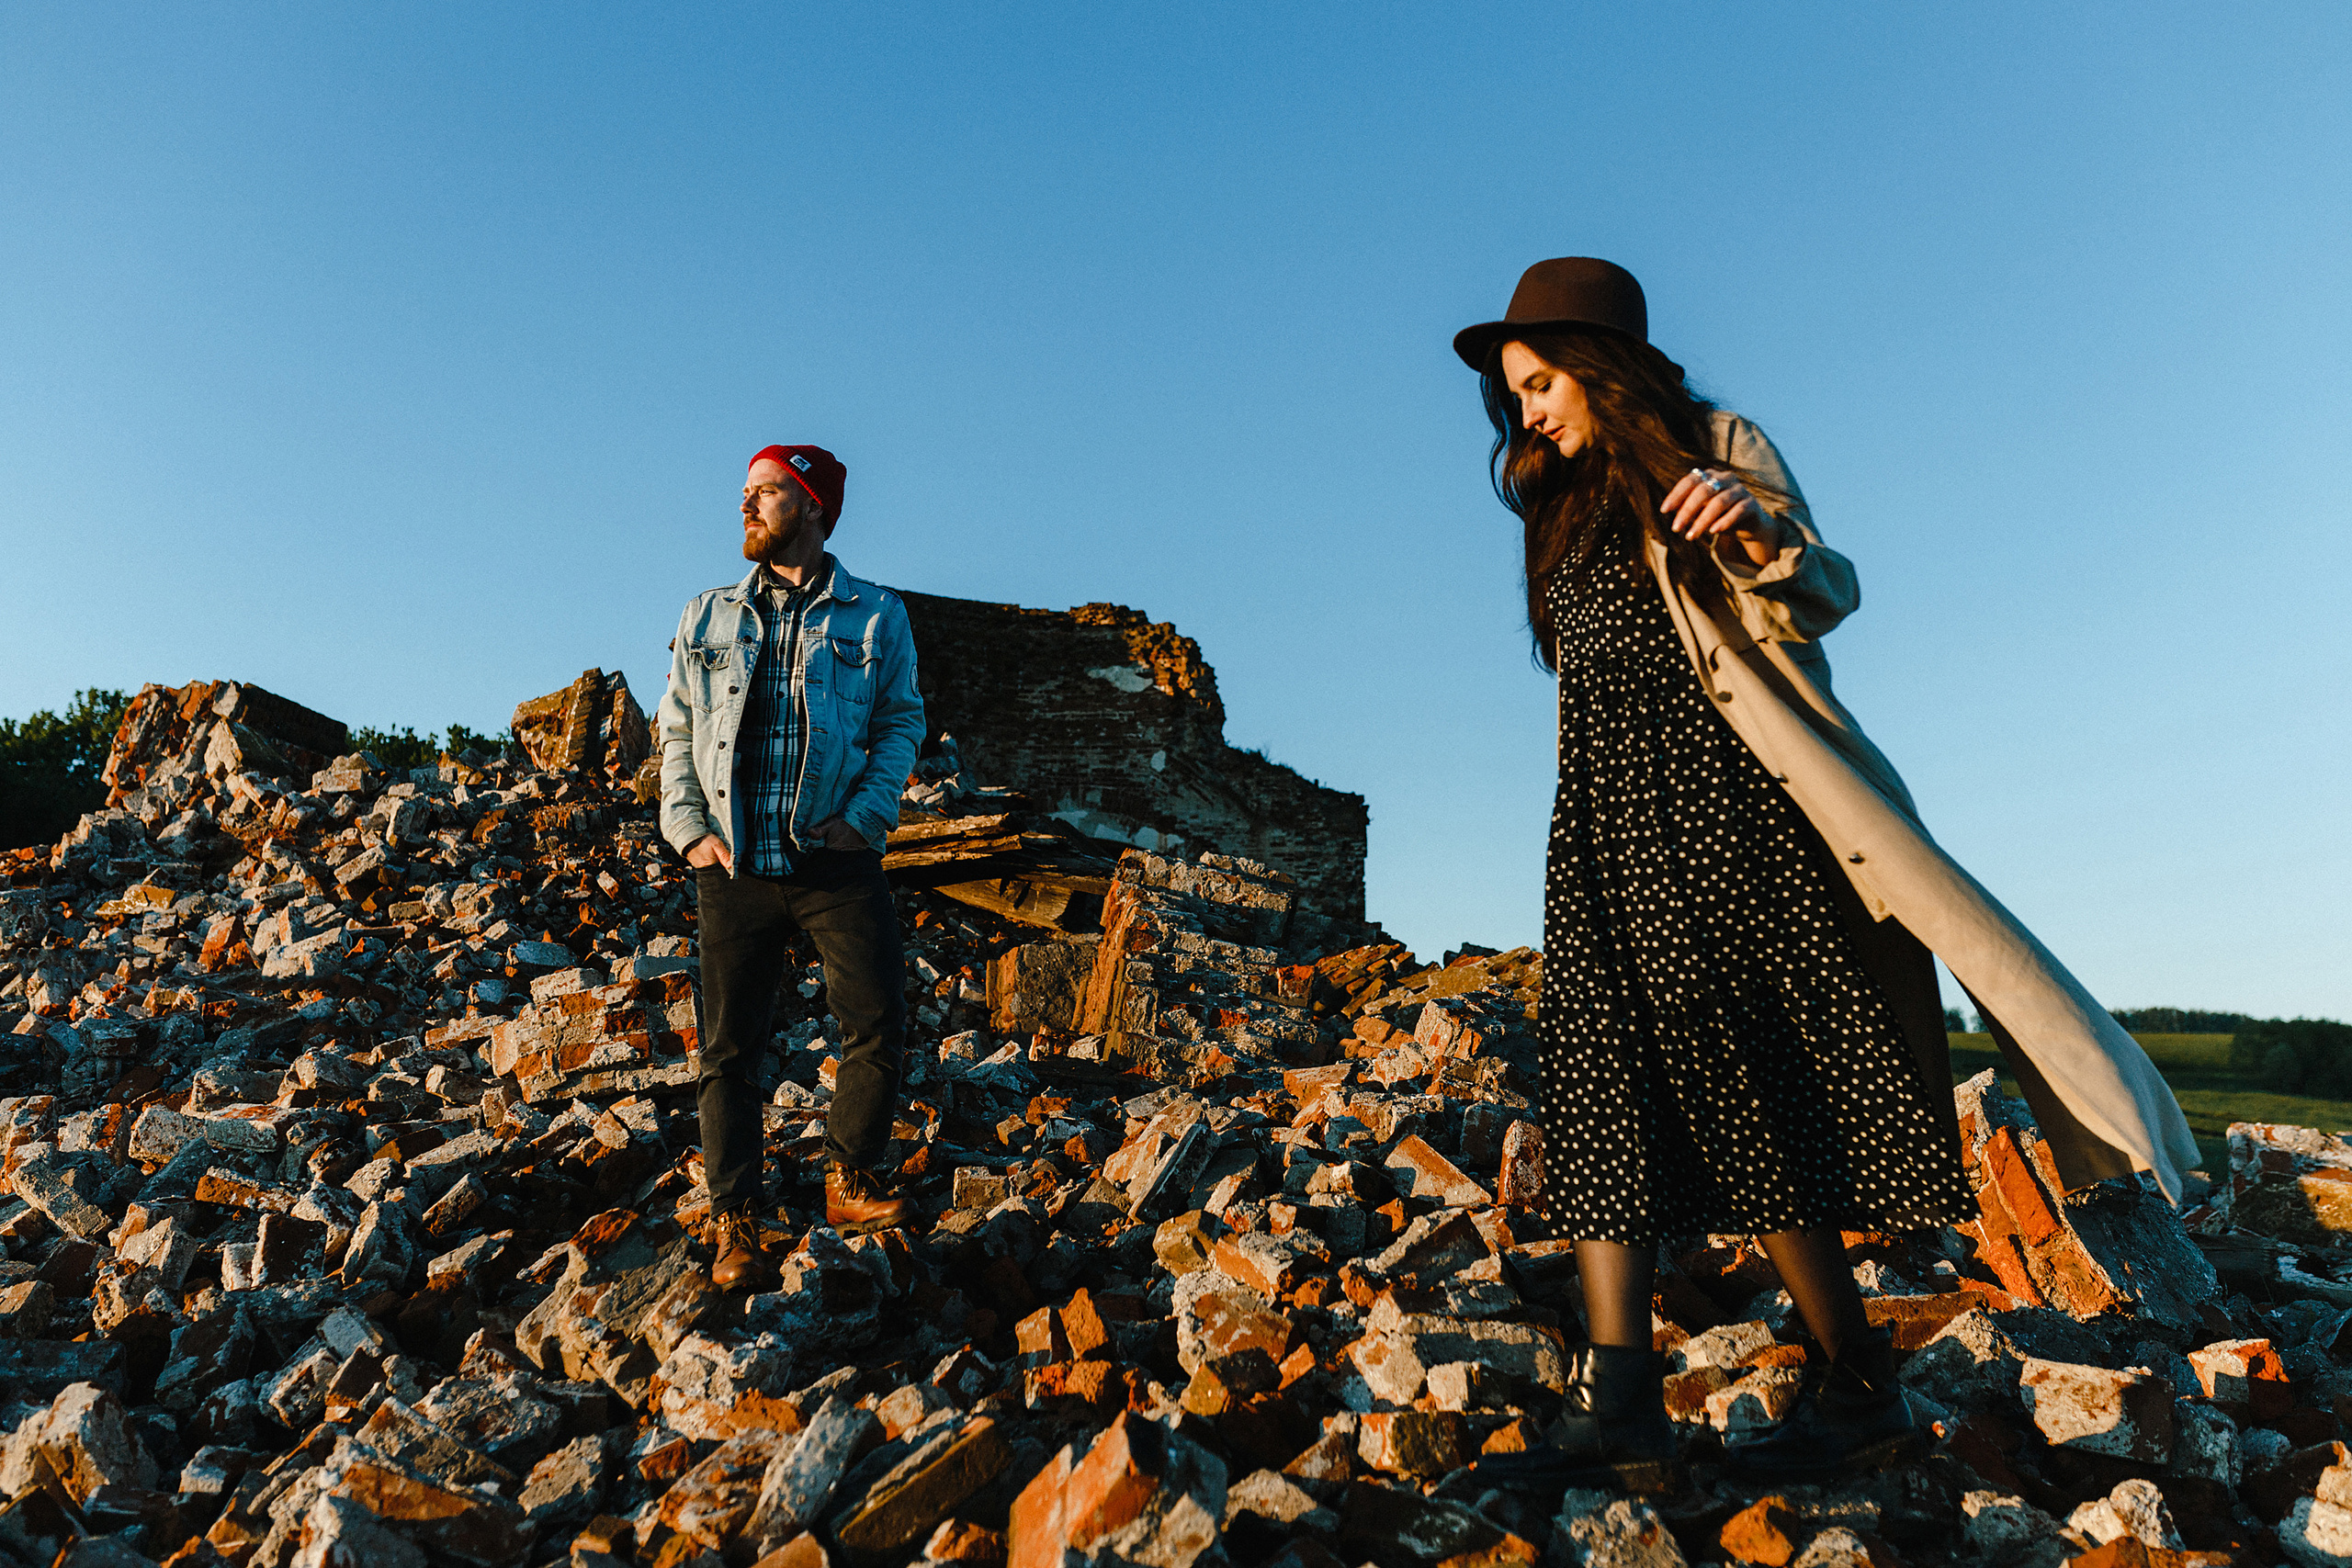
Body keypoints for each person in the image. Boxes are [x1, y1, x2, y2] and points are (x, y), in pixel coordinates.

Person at [1451, 259, 2199, 1486]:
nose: (1526, 412)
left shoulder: (1711, 443)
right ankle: (1621, 1392)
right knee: (1600, 1077)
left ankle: (1855, 1373)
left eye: (1539, 384)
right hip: (1597, 824)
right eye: (1514, 398)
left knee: (1737, 1081)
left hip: (1725, 812)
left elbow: (1824, 587)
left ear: (1600, 362)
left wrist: (1751, 529)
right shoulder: (1558, 507)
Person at [656, 443, 927, 1290]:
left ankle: (848, 1176)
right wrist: (690, 832)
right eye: (745, 492)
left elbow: (900, 724)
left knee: (877, 1018)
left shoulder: (876, 615)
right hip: (731, 866)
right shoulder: (705, 616)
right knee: (730, 1051)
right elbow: (674, 730)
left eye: (765, 493)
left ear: (812, 506)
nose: (746, 507)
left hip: (832, 860)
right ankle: (736, 1217)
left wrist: (867, 819)